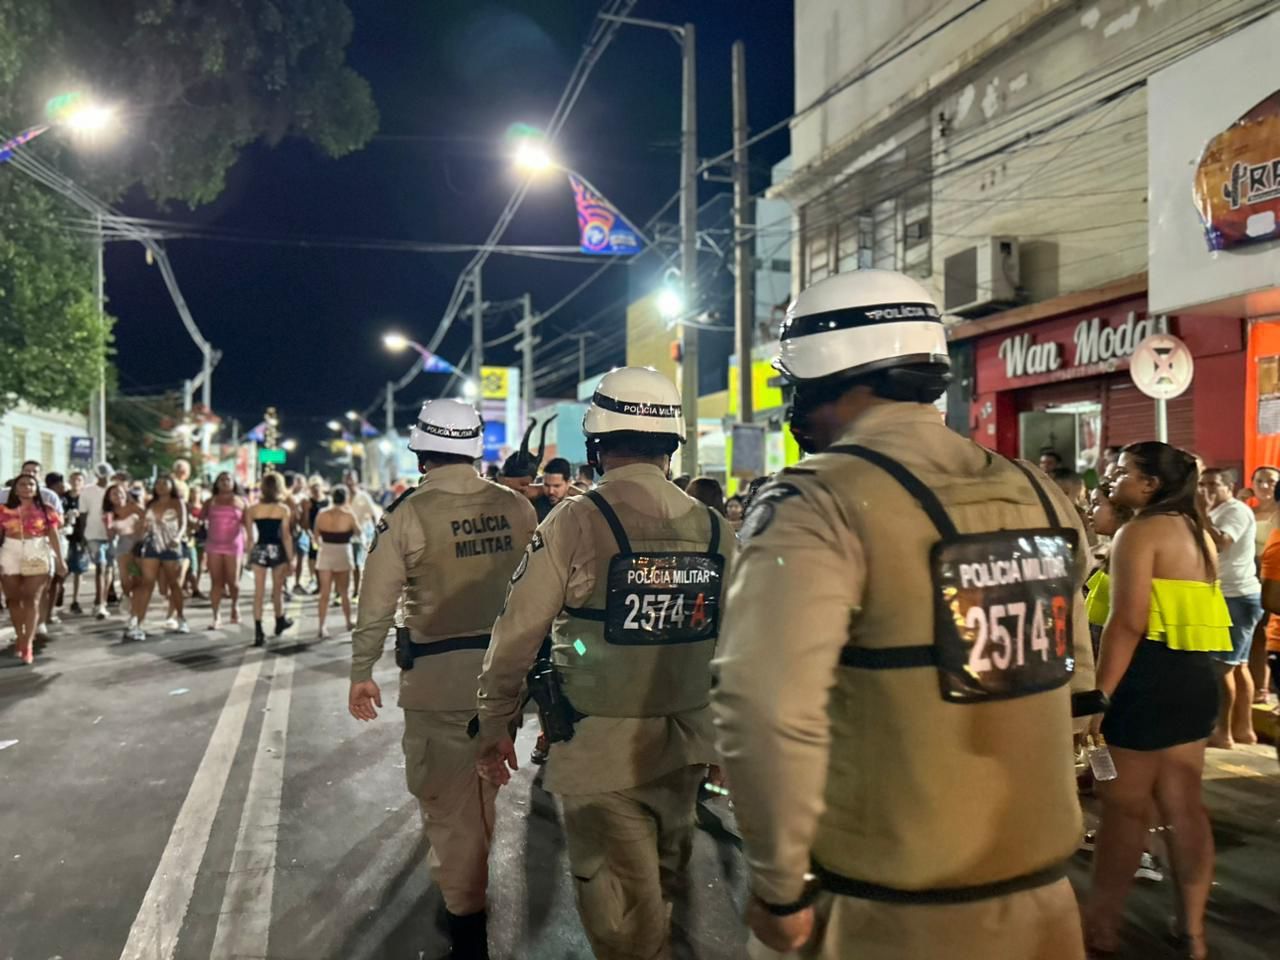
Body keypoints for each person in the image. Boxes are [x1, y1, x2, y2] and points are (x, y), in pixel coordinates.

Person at [710, 269, 1095, 960]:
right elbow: (1075, 676)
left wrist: (779, 886)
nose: (790, 406)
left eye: (791, 386)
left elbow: (762, 707)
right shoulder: (1038, 491)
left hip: (894, 916)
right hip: (1046, 902)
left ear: (827, 375)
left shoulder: (817, 501)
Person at [476, 368, 735, 960]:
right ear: (673, 443)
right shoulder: (717, 529)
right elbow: (740, 645)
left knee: (622, 917)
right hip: (686, 746)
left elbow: (517, 633)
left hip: (599, 751)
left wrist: (496, 722)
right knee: (663, 892)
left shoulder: (574, 520)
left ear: (596, 444)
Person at [350, 399, 536, 960]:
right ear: (475, 448)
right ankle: (468, 882)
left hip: (439, 685)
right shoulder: (518, 509)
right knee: (481, 786)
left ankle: (467, 926)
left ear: (422, 451)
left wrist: (362, 671)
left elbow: (375, 603)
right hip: (509, 682)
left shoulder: (407, 513)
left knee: (448, 803)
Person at [1084, 442, 1232, 959]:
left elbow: (1127, 624)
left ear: (1149, 484)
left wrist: (1098, 697)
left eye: (1123, 471)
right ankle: (1191, 931)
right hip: (1193, 679)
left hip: (1144, 680)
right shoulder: (1198, 532)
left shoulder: (1141, 532)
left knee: (1123, 811)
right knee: (1184, 805)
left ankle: (1101, 926)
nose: (1112, 479)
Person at [1198, 468, 1263, 748]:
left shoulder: (1234, 510)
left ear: (1229, 486)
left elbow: (1221, 542)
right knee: (1238, 665)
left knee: (1222, 667)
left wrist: (1199, 513)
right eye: (1202, 484)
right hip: (1233, 595)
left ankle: (1222, 733)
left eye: (1213, 485)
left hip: (1235, 596)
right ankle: (1243, 729)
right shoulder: (1216, 510)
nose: (1206, 490)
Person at [1, 475, 66, 664]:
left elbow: (53, 534)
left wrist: (60, 561)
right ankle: (20, 637)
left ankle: (27, 643)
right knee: (13, 599)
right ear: (15, 488)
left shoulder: (47, 510)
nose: (27, 487)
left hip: (36, 550)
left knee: (32, 598)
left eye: (31, 484)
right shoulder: (3, 510)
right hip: (10, 550)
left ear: (36, 488)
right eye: (22, 484)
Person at [129, 475, 189, 640]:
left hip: (171, 546)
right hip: (151, 546)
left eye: (165, 483)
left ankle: (181, 617)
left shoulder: (178, 503)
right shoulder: (151, 504)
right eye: (158, 483)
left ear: (172, 485)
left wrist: (177, 538)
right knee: (146, 583)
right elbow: (144, 525)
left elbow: (183, 524)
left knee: (174, 584)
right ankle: (139, 623)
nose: (161, 486)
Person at [245, 472, 295, 647]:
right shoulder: (283, 509)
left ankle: (258, 631)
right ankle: (279, 620)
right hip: (276, 549)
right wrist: (291, 559)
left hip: (260, 549)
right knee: (277, 589)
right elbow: (286, 536)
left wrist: (248, 557)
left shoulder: (252, 509)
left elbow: (250, 538)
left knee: (258, 592)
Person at [1249, 465, 1279, 704]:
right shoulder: (1247, 512)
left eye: (1270, 482)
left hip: (1270, 577)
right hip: (1251, 579)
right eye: (1259, 481)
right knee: (1256, 635)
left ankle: (1263, 687)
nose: (1264, 486)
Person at [204, 472, 247, 630]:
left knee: (233, 582)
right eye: (221, 480)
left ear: (234, 483)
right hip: (214, 545)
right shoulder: (210, 501)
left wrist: (250, 542)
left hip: (234, 545)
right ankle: (216, 616)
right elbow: (200, 518)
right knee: (216, 582)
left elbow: (247, 523)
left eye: (228, 479)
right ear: (216, 483)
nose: (224, 482)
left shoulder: (241, 502)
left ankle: (235, 606)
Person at [314, 486, 357, 638]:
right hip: (343, 553)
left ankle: (321, 626)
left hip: (325, 552)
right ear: (345, 499)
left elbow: (316, 535)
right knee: (344, 592)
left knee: (324, 593)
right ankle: (348, 622)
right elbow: (358, 532)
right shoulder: (349, 515)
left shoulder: (322, 514)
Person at [80, 462, 114, 619]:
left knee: (109, 568)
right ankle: (100, 603)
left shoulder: (115, 489)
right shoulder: (87, 491)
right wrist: (81, 536)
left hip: (113, 534)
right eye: (102, 475)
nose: (105, 478)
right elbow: (83, 514)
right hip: (93, 533)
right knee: (101, 566)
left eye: (107, 474)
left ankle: (102, 600)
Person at [106, 482, 144, 616]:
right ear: (109, 497)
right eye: (114, 494)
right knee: (125, 577)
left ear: (125, 494)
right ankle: (127, 596)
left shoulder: (135, 507)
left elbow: (147, 521)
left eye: (120, 493)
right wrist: (109, 526)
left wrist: (138, 532)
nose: (118, 496)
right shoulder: (110, 514)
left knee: (138, 576)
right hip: (123, 545)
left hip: (139, 545)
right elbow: (110, 534)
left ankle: (137, 605)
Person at [342, 469, 381, 599]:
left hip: (358, 534)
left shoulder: (363, 496)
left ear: (356, 480)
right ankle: (340, 591)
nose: (349, 481)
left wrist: (377, 533)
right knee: (343, 564)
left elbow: (373, 514)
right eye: (347, 478)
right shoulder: (342, 495)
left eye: (351, 478)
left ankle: (356, 592)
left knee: (356, 563)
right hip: (342, 534)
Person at [531, 456, 573, 521]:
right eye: (546, 485)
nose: (551, 491)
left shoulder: (577, 510)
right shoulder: (533, 507)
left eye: (556, 486)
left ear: (568, 483)